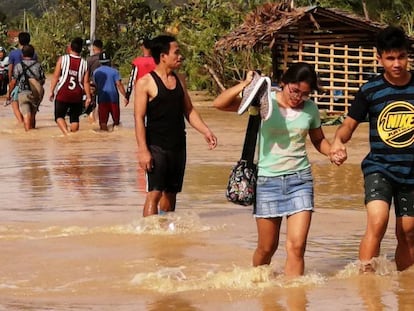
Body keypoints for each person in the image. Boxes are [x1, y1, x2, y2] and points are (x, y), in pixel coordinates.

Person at [213, 63, 331, 277]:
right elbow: (220, 104)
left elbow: (319, 140)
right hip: (268, 182)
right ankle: (259, 285)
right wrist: (247, 84)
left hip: (300, 181)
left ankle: (295, 298)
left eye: (305, 94)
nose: (299, 98)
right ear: (284, 83)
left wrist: (332, 152)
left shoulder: (311, 109)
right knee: (267, 248)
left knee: (297, 247)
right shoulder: (263, 102)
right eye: (295, 91)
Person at [330, 26, 414, 273]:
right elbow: (348, 125)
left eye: (401, 57)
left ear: (407, 56)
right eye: (390, 58)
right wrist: (338, 141)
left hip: (411, 171)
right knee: (377, 222)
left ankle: (404, 290)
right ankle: (366, 284)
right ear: (379, 59)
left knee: (408, 232)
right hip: (379, 168)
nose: (396, 63)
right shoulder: (370, 90)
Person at [134, 35, 217, 217]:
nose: (180, 57)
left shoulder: (180, 79)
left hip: (178, 145)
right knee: (154, 192)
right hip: (156, 146)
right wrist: (143, 150)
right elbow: (139, 118)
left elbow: (189, 110)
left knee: (171, 193)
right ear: (163, 56)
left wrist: (205, 131)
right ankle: (151, 236)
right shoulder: (145, 83)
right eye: (176, 53)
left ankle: (165, 234)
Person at [49, 37, 91, 135]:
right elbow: (86, 82)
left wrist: (51, 91)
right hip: (77, 94)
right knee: (75, 119)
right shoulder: (85, 63)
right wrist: (88, 97)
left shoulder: (62, 59)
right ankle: (73, 136)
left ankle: (67, 134)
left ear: (70, 47)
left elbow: (55, 76)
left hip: (63, 92)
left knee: (59, 117)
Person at [6, 45, 45, 131]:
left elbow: (13, 82)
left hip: (23, 93)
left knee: (26, 115)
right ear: (33, 54)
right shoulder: (38, 66)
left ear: (22, 55)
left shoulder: (18, 66)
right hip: (36, 93)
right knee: (33, 115)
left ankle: (28, 135)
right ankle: (33, 135)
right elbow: (43, 81)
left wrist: (9, 93)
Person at [93, 51, 128, 131]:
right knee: (116, 122)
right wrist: (126, 96)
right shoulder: (115, 71)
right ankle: (114, 139)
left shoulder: (96, 72)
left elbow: (95, 86)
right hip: (113, 100)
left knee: (103, 123)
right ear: (110, 60)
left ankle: (104, 139)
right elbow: (119, 84)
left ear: (100, 61)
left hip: (102, 100)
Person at [8, 32, 36, 123]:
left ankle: (21, 122)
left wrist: (10, 84)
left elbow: (10, 70)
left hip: (17, 83)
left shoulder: (13, 53)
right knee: (30, 108)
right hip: (31, 85)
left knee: (14, 104)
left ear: (19, 41)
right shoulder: (33, 53)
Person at [86, 39, 103, 121]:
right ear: (102, 48)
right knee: (102, 104)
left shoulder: (89, 60)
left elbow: (86, 74)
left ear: (94, 48)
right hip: (103, 85)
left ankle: (92, 122)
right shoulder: (106, 59)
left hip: (92, 84)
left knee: (92, 105)